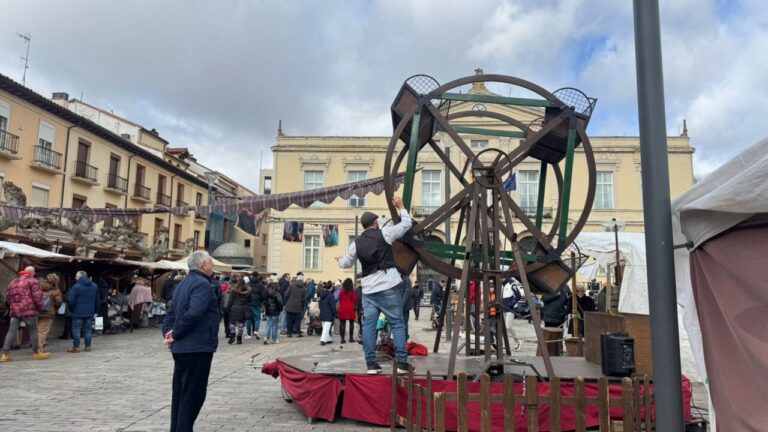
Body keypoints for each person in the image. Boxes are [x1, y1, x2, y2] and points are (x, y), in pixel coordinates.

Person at [336, 196, 412, 375]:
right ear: (376, 223)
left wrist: (339, 260)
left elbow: (345, 263)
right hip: (388, 286)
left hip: (369, 290)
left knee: (369, 327)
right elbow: (406, 224)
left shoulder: (356, 244)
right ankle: (402, 364)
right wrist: (401, 206)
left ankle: (371, 364)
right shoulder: (384, 233)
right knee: (397, 324)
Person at [162, 251, 220, 432]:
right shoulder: (202, 284)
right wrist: (175, 333)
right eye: (211, 262)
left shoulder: (183, 283)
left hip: (183, 348)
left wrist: (168, 333)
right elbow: (194, 313)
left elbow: (171, 315)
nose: (213, 265)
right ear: (203, 265)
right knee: (193, 395)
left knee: (181, 395)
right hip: (197, 346)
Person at [1, 266, 49, 362]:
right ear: (32, 273)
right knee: (33, 330)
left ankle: (5, 354)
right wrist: (40, 308)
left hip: (15, 311)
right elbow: (37, 297)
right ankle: (36, 353)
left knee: (11, 331)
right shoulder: (33, 281)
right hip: (29, 310)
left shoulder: (13, 281)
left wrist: (13, 306)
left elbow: (8, 297)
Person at [66, 271, 101, 353]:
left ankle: (76, 347)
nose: (75, 278)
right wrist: (96, 311)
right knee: (88, 329)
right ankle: (88, 347)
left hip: (77, 312)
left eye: (76, 276)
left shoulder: (76, 286)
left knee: (76, 330)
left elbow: (71, 301)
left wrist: (72, 309)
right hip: (90, 312)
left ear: (80, 277)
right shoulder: (94, 286)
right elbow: (97, 300)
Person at [37, 273, 63, 354]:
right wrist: (55, 308)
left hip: (37, 311)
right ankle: (39, 349)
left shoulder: (39, 287)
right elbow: (59, 301)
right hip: (48, 313)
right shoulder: (56, 290)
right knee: (42, 331)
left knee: (36, 330)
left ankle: (38, 345)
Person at [225, 278, 252, 344]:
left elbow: (230, 301)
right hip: (243, 308)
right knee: (241, 323)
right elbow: (250, 300)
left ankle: (232, 335)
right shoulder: (248, 290)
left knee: (232, 322)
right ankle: (239, 338)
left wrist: (227, 309)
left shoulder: (234, 290)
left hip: (234, 308)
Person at [501, 277, 522, 350]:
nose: (500, 279)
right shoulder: (502, 285)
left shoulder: (512, 284)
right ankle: (504, 344)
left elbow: (518, 295)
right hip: (503, 309)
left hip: (510, 309)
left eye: (502, 277)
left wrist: (511, 303)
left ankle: (517, 342)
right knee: (504, 327)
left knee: (508, 327)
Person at [337, 278, 357, 344]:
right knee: (351, 323)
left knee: (342, 323)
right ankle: (351, 338)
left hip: (343, 307)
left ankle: (342, 339)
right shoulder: (353, 291)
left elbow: (339, 300)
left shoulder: (341, 291)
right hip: (350, 308)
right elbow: (354, 300)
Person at [245, 274, 264, 340]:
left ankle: (248, 334)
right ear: (257, 276)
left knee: (248, 318)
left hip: (248, 303)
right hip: (257, 303)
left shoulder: (248, 284)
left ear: (252, 276)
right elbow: (263, 295)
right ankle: (256, 331)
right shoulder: (260, 285)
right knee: (257, 318)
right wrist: (260, 301)